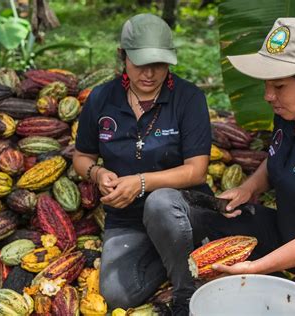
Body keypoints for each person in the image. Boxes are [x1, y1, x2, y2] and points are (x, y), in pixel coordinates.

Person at [160, 17, 295, 315]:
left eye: (279, 85)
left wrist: (257, 267)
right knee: (185, 210)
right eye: (266, 85)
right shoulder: (293, 112)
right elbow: (278, 157)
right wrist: (248, 187)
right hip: (286, 233)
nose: (268, 96)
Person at [72, 13, 212, 315]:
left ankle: (186, 295)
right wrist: (97, 173)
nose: (149, 74)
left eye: (159, 65)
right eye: (139, 64)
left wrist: (142, 182)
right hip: (126, 216)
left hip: (182, 208)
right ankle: (178, 257)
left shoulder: (188, 98)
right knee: (118, 295)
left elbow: (197, 169)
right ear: (123, 57)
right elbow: (81, 157)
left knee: (160, 203)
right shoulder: (101, 99)